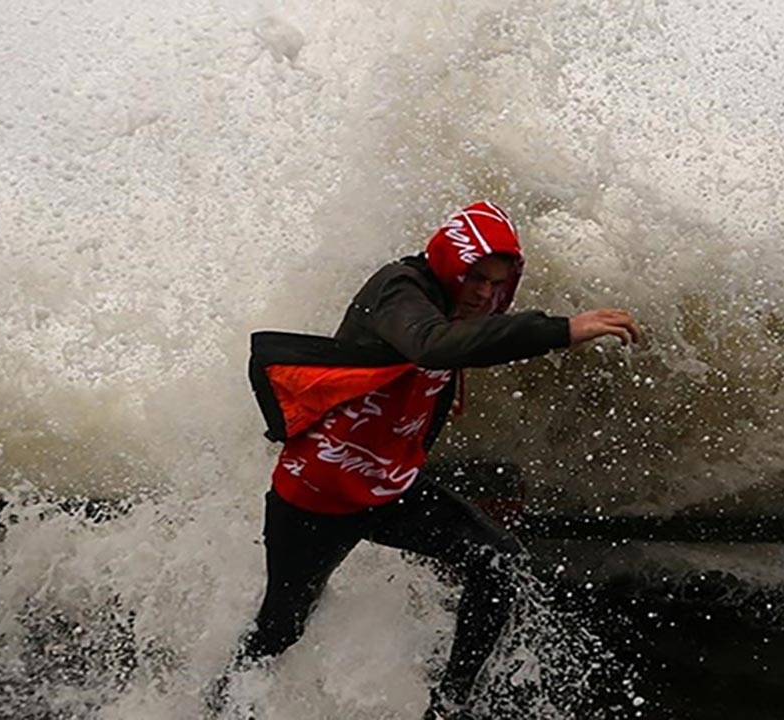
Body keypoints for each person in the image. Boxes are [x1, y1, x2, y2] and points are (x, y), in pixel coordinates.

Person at [211, 200, 641, 719]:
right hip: (316, 495)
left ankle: (449, 707)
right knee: (281, 628)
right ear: (449, 264)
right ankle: (219, 708)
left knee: (500, 565)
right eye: (475, 277)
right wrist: (560, 330)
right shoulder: (399, 289)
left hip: (392, 491)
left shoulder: (462, 315)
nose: (484, 292)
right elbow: (432, 347)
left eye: (496, 283)